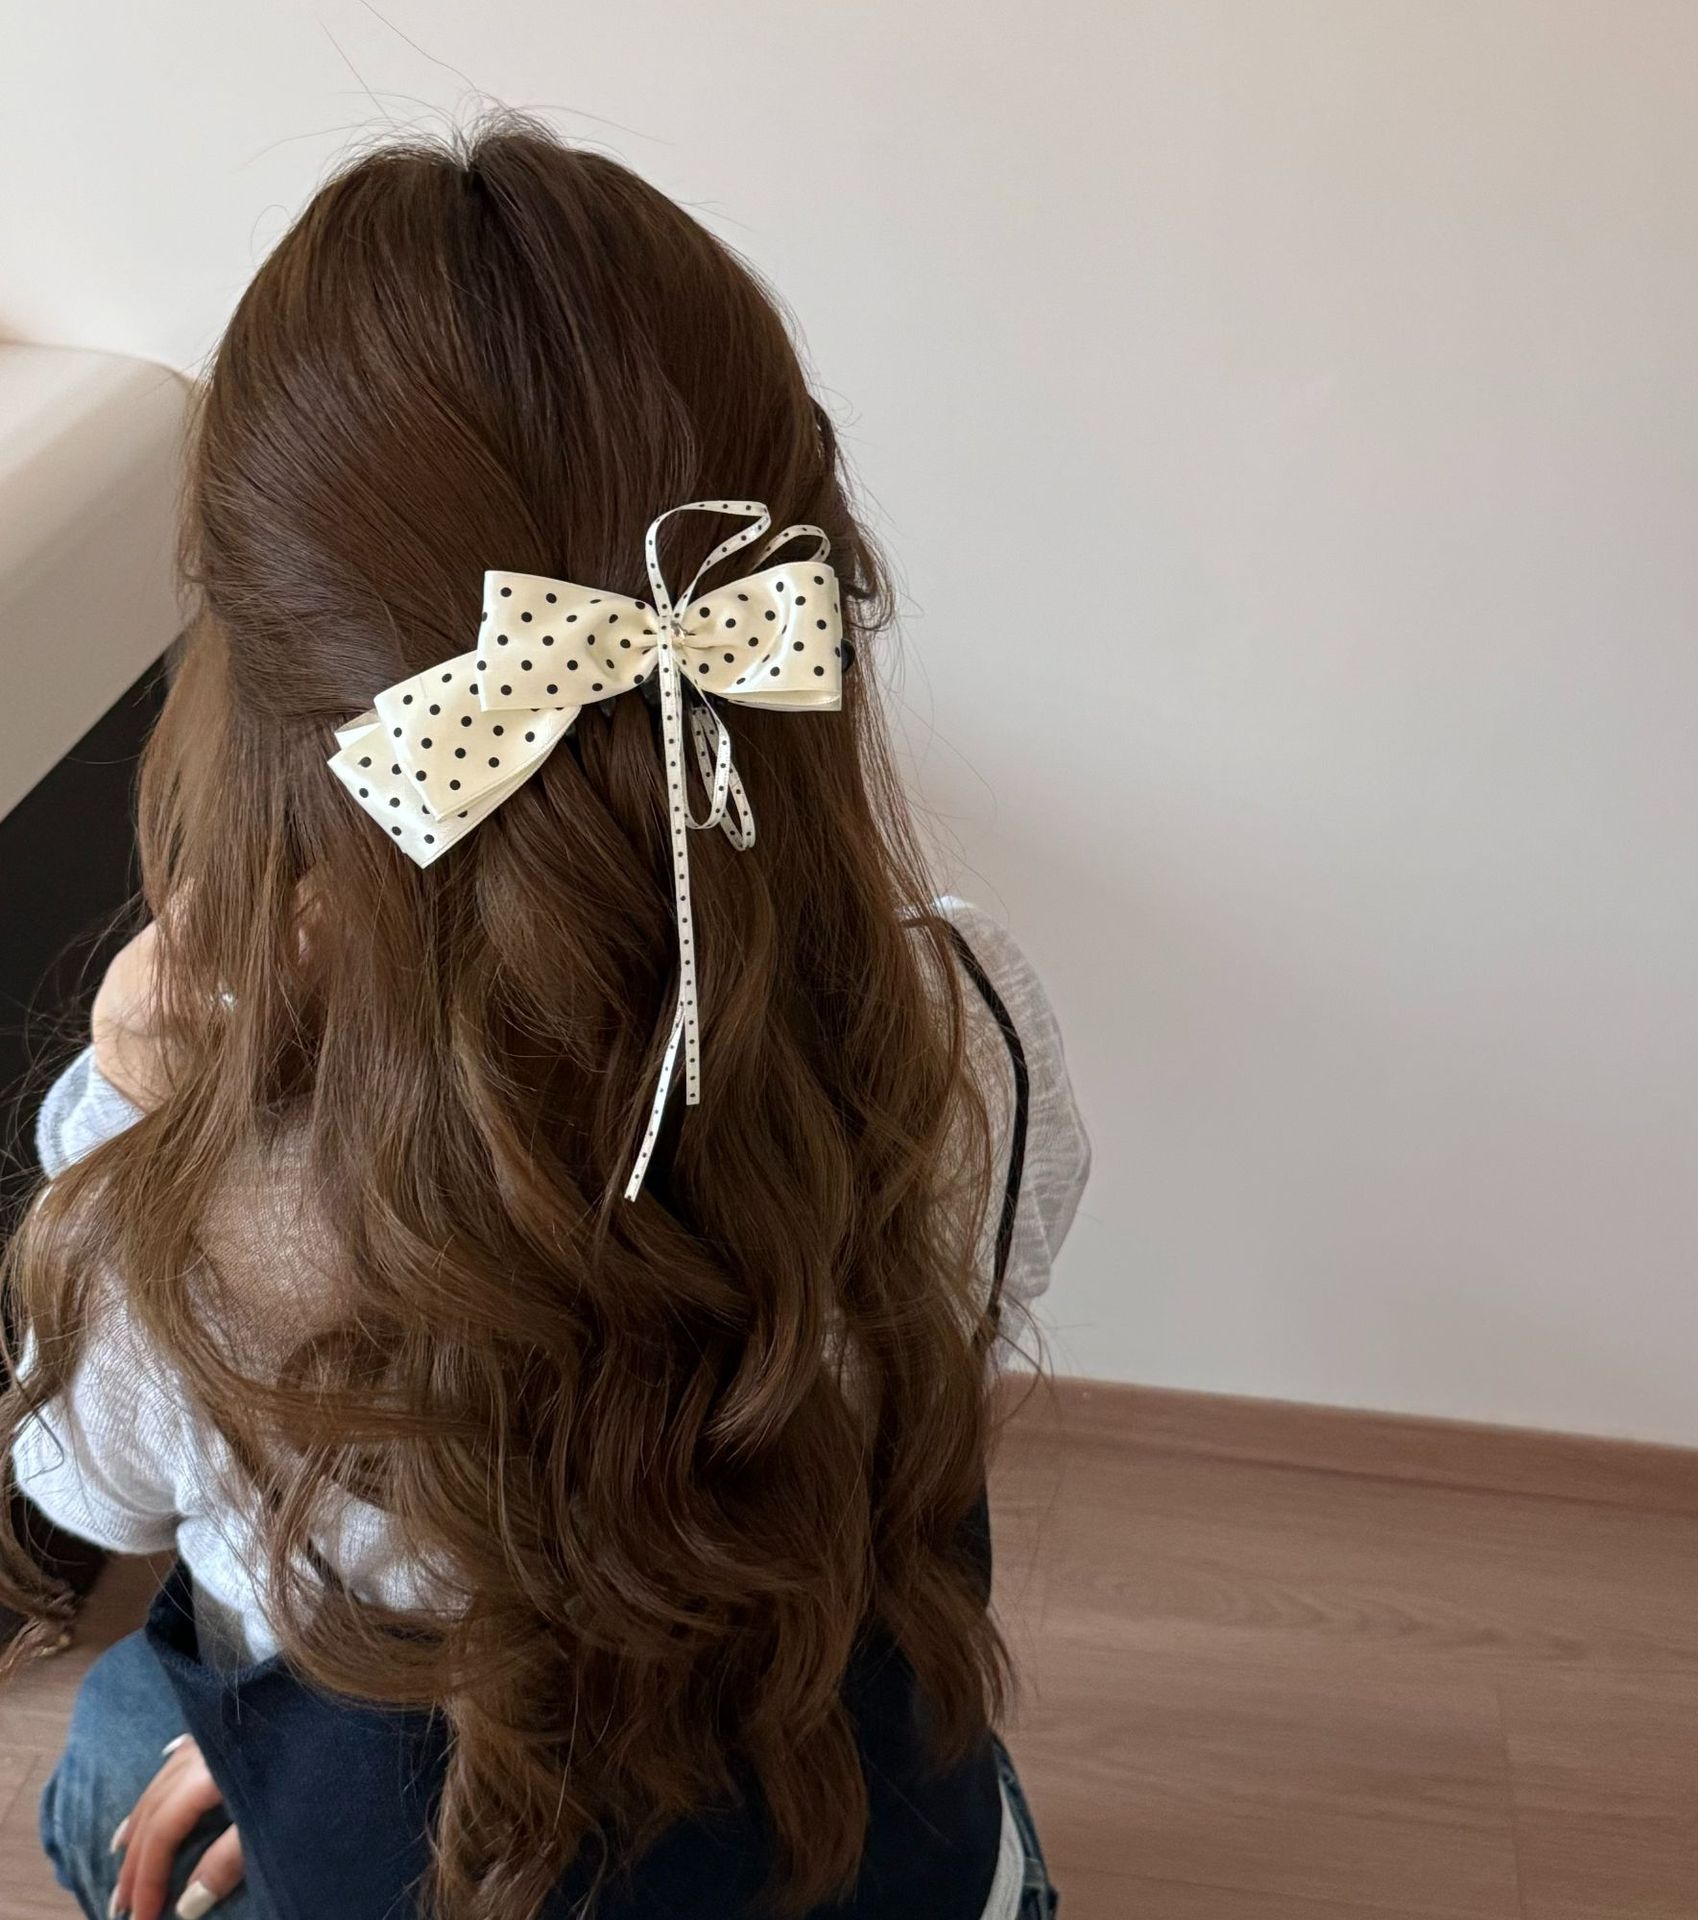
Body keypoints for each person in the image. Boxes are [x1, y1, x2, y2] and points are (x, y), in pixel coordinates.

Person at [0, 119, 1089, 1920]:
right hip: (877, 1831)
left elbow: (80, 1494)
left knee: (124, 1737)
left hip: (424, 1854)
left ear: (264, 692)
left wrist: (116, 1107)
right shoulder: (968, 1023)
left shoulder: (167, 1216)